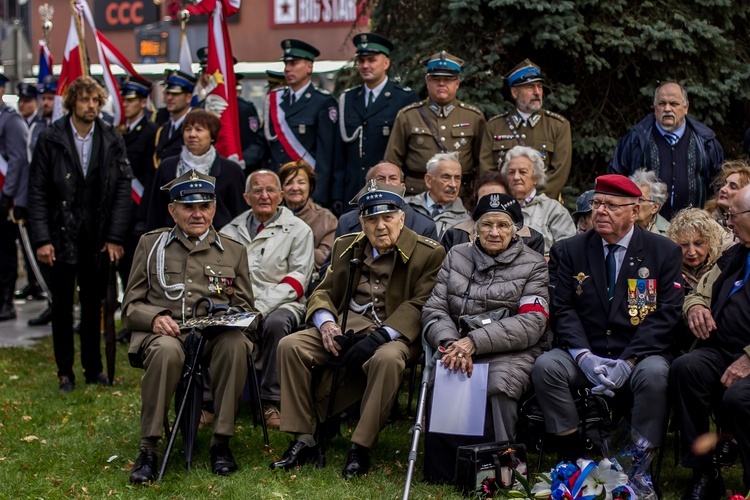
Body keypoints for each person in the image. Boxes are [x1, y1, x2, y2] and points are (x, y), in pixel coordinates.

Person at [270, 187, 445, 478]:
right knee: (291, 345)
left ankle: (360, 448)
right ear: (362, 222)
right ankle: (304, 438)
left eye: (388, 217)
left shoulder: (428, 252)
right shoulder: (345, 245)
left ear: (402, 219)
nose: (380, 225)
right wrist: (326, 323)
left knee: (387, 360)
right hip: (346, 325)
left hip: (397, 334)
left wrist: (381, 336)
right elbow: (323, 290)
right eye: (372, 220)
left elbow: (422, 303)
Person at [531, 174, 683, 458]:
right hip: (585, 349)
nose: (600, 211)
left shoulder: (663, 251)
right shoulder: (571, 249)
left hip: (639, 354)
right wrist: (583, 356)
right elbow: (563, 308)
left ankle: (637, 464)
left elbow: (667, 313)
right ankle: (574, 452)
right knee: (547, 367)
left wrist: (629, 360)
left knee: (655, 375)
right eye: (597, 204)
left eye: (612, 205)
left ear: (635, 211)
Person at [123, 170, 258, 483]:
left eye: (205, 206)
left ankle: (221, 442)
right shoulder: (151, 245)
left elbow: (247, 307)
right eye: (189, 207)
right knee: (167, 352)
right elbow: (130, 306)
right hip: (166, 335)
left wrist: (230, 320)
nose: (198, 214)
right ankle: (149, 448)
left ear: (213, 208)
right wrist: (154, 317)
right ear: (173, 210)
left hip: (212, 336)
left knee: (235, 345)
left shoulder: (233, 250)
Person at [421, 193, 549, 482]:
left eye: (503, 225)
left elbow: (532, 321)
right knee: (450, 373)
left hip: (513, 348)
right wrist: (450, 344)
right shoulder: (457, 255)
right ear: (474, 228)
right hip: (457, 343)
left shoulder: (534, 264)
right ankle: (447, 470)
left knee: (497, 383)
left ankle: (501, 470)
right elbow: (434, 308)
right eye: (486, 224)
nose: (494, 232)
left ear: (515, 229)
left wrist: (475, 342)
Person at [27, 76, 133, 391]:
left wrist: (115, 237)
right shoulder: (51, 137)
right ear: (72, 102)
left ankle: (94, 368)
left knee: (94, 305)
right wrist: (42, 240)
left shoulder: (111, 137)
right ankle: (65, 373)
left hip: (97, 237)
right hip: (60, 235)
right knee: (61, 306)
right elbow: (37, 192)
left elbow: (123, 190)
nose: (91, 106)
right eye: (85, 100)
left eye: (95, 101)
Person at [672, 185, 750, 499]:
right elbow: (700, 292)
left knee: (738, 399)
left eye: (733, 217)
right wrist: (696, 307)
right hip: (721, 348)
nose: (728, 224)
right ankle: (704, 471)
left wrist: (748, 357)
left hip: (747, 355)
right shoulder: (736, 254)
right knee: (685, 368)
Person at [219, 170, 314, 429]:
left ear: (281, 196)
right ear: (246, 197)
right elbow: (221, 274)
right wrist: (239, 306)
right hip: (240, 303)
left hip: (286, 303)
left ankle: (270, 401)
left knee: (275, 325)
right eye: (257, 191)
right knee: (218, 327)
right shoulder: (229, 231)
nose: (264, 196)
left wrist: (258, 308)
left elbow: (297, 280)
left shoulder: (299, 230)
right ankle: (212, 402)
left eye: (271, 190)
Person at [608, 82, 725, 218]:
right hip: (646, 229)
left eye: (674, 104)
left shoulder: (706, 142)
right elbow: (615, 182)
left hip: (694, 229)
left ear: (686, 107)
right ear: (654, 107)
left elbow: (719, 186)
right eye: (662, 104)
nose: (667, 109)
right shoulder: (635, 141)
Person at [335, 33, 419, 209]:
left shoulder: (404, 98)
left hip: (388, 192)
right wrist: (336, 194)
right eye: (361, 61)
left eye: (371, 60)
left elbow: (410, 152)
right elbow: (339, 154)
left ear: (386, 63)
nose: (365, 65)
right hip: (354, 192)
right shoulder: (349, 98)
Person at [385, 51, 486, 195]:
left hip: (461, 195)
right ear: (427, 82)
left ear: (457, 83)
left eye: (448, 79)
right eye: (435, 79)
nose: (441, 83)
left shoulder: (473, 117)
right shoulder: (408, 116)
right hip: (417, 196)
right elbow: (392, 163)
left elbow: (482, 163)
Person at [479, 59, 571, 200]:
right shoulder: (494, 126)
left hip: (543, 204)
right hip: (504, 203)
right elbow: (487, 170)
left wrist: (531, 198)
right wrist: (505, 197)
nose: (537, 92)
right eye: (530, 87)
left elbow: (559, 173)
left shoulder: (558, 125)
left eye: (539, 87)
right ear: (515, 93)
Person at [263, 39, 338, 207]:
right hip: (279, 191)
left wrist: (318, 197)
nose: (288, 69)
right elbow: (269, 150)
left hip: (307, 192)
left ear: (309, 67)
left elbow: (326, 156)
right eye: (286, 64)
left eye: (294, 64)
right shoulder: (275, 100)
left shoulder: (323, 102)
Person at [146, 109, 246, 232]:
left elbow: (239, 215)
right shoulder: (168, 166)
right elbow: (156, 212)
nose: (192, 134)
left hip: (219, 240)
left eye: (199, 129)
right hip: (173, 240)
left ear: (212, 136)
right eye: (188, 129)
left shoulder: (231, 170)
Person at [440, 171, 545, 255]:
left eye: (499, 199)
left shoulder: (532, 238)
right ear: (475, 203)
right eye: (485, 200)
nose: (492, 206)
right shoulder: (455, 234)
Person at [196, 47, 266, 171]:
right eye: (204, 71)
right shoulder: (198, 108)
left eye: (212, 72)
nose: (207, 77)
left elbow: (256, 145)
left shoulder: (243, 108)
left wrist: (240, 162)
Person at [334, 161, 437, 240]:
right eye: (381, 179)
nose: (387, 183)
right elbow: (332, 265)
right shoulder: (347, 221)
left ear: (403, 187)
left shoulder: (424, 225)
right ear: (368, 186)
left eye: (392, 178)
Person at [502, 145, 575, 255]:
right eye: (511, 172)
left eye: (523, 172)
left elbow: (568, 249)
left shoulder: (553, 209)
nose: (516, 177)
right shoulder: (499, 208)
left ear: (536, 178)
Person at [0, 73, 30, 321]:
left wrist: (8, 195)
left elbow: (18, 161)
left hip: (3, 199)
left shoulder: (10, 121)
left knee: (5, 253)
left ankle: (6, 302)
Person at [278, 160, 337, 276]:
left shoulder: (327, 219)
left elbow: (326, 257)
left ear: (310, 187)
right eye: (289, 183)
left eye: (301, 182)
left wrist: (285, 249)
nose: (295, 188)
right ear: (281, 189)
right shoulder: (272, 216)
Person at [405, 152, 471, 238]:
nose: (453, 184)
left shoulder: (466, 220)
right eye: (446, 177)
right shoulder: (406, 206)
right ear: (429, 180)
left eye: (457, 178)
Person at [154, 70, 197, 168]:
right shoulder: (164, 129)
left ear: (188, 98)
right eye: (168, 93)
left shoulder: (196, 127)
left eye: (175, 94)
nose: (169, 98)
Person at [704, 160, 750, 229]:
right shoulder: (704, 221)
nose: (723, 189)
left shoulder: (746, 231)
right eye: (724, 184)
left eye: (733, 187)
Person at [629, 168, 670, 236]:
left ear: (654, 208)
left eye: (640, 200)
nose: (633, 204)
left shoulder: (669, 233)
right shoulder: (620, 226)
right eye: (631, 198)